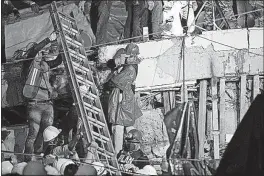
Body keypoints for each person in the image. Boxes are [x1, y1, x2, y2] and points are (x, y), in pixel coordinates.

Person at [22, 32, 63, 162]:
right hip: (35, 105)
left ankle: (46, 157)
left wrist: (63, 46)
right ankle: (28, 160)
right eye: (39, 53)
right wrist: (48, 40)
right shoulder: (28, 65)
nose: (40, 55)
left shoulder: (44, 65)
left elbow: (58, 61)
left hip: (48, 104)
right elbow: (33, 51)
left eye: (41, 53)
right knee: (33, 134)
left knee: (48, 133)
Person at [106, 43, 143, 154]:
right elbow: (113, 64)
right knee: (126, 124)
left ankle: (118, 152)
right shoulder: (130, 65)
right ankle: (132, 147)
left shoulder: (130, 68)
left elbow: (116, 81)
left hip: (123, 97)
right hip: (125, 96)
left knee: (118, 125)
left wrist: (110, 79)